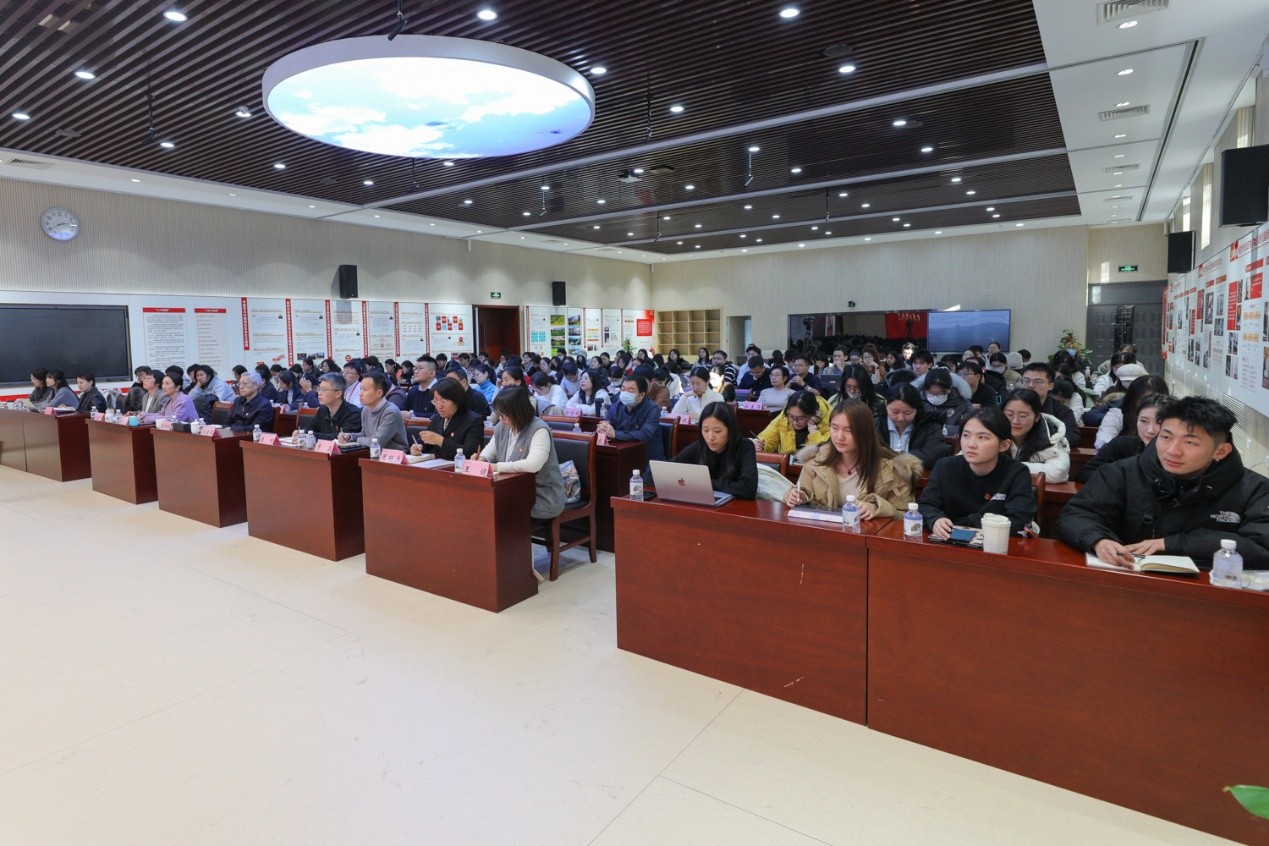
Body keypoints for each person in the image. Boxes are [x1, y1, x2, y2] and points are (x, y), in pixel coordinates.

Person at [1057, 396, 1269, 569]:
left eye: (1189, 442)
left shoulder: (1255, 490)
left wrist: (1173, 544)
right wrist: (1098, 540)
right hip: (1125, 583)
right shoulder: (1121, 473)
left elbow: (1262, 547)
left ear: (1220, 451)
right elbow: (1076, 516)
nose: (1173, 451)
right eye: (1166, 437)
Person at [784, 400, 923, 516]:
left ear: (865, 432)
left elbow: (906, 517)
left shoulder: (894, 470)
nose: (839, 437)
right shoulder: (815, 462)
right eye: (835, 428)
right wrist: (798, 497)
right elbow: (801, 493)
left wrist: (878, 508)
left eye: (848, 430)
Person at [918, 407, 1037, 539]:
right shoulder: (945, 467)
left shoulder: (1017, 472)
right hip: (952, 540)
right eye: (966, 435)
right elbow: (925, 505)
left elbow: (1018, 520)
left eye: (982, 437)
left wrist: (967, 523)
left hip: (996, 542)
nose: (971, 444)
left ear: (1003, 445)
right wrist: (935, 519)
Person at [480, 387, 565, 522]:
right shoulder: (502, 426)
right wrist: (481, 459)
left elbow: (533, 465)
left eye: (504, 415)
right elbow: (489, 451)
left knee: (495, 511)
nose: (500, 419)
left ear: (518, 411)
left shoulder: (539, 429)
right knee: (481, 505)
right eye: (499, 414)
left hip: (541, 496)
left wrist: (496, 467)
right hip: (510, 491)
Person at [668, 402, 758, 499]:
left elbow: (748, 489)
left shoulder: (745, 446)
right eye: (705, 430)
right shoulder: (698, 447)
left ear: (731, 430)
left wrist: (706, 483)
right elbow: (663, 472)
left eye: (717, 431)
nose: (710, 437)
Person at [1075, 394, 1168, 484]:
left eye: (1159, 422)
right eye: (1143, 421)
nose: (1150, 430)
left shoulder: (1174, 453)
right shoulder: (1121, 445)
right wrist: (1123, 482)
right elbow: (1085, 473)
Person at [877, 383, 951, 470]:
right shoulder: (874, 424)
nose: (900, 418)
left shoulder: (929, 425)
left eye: (907, 413)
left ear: (917, 409)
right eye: (895, 412)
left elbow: (936, 452)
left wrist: (900, 458)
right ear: (886, 405)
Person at [1003, 389, 1070, 483]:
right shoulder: (992, 432)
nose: (1015, 421)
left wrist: (1006, 468)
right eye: (1009, 414)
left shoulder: (1052, 437)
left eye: (1023, 416)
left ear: (1037, 417)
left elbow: (1057, 473)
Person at [409, 377, 483, 460]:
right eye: (435, 401)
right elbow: (427, 441)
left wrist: (440, 441)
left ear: (457, 399)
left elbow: (471, 453)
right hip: (438, 464)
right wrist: (419, 447)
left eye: (443, 401)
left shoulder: (473, 420)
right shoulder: (437, 418)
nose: (439, 406)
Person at [596, 375, 665, 463]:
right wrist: (602, 428)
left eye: (630, 391)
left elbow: (644, 434)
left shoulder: (652, 409)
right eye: (623, 389)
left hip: (648, 457)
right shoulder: (617, 406)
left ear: (641, 395)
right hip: (622, 454)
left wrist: (615, 434)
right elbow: (607, 424)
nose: (625, 393)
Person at [1094, 374, 1168, 449]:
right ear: (1133, 399)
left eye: (1153, 399)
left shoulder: (1170, 418)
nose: (1148, 403)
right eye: (1143, 399)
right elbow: (1102, 443)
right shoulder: (1118, 415)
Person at [1017, 363, 1082, 447]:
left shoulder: (1063, 411)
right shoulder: (1011, 404)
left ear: (1051, 386)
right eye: (1026, 381)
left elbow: (1072, 436)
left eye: (1037, 382)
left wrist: (1043, 443)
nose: (1030, 385)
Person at [341, 372, 407, 451]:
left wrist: (358, 439)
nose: (360, 394)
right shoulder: (366, 409)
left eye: (364, 389)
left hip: (393, 455)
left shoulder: (390, 412)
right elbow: (365, 434)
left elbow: (377, 442)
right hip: (373, 452)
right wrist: (350, 436)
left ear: (379, 393)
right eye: (360, 389)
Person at [753, 391, 832, 456]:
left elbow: (827, 453)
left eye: (800, 418)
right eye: (791, 416)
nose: (795, 422)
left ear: (813, 414)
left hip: (815, 467)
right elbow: (768, 438)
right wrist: (761, 446)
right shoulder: (784, 416)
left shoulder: (830, 420)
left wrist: (813, 431)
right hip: (787, 464)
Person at [921, 369, 972, 436]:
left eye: (940, 393)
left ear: (950, 389)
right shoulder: (918, 400)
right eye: (930, 393)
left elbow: (970, 427)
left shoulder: (963, 404)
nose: (935, 397)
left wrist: (945, 430)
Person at [310, 373, 362, 440]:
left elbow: (341, 437)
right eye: (319, 389)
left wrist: (311, 436)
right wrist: (301, 433)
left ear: (338, 394)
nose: (319, 393)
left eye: (324, 390)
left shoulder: (353, 413)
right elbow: (309, 429)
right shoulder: (322, 409)